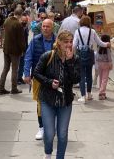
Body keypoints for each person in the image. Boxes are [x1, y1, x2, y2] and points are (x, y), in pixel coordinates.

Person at [33, 31, 80, 159]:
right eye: (66, 42)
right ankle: (48, 153)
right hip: (48, 100)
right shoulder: (47, 56)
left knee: (63, 134)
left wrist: (70, 62)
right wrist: (49, 83)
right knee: (49, 134)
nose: (69, 44)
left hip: (65, 101)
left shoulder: (75, 59)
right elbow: (36, 73)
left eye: (71, 41)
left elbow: (76, 79)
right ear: (58, 42)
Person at [24, 18, 56, 140]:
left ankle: (52, 126)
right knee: (40, 103)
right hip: (38, 77)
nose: (45, 28)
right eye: (43, 26)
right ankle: (42, 127)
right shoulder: (35, 40)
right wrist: (27, 73)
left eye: (48, 26)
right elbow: (28, 57)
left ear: (52, 28)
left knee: (54, 102)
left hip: (54, 77)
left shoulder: (57, 41)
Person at [73, 16, 110, 102]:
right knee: (89, 74)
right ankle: (89, 94)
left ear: (81, 22)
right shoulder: (92, 31)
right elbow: (99, 43)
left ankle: (83, 96)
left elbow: (74, 45)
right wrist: (107, 44)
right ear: (88, 22)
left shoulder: (77, 31)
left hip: (80, 54)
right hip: (90, 54)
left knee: (81, 75)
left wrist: (72, 53)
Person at [0, 7, 27, 95]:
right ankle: (14, 88)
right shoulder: (18, 24)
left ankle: (1, 88)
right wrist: (23, 50)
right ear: (21, 15)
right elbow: (21, 40)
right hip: (15, 50)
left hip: (6, 48)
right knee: (15, 69)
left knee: (5, 68)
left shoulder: (7, 20)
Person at [95, 34, 113, 100]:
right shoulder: (107, 47)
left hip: (99, 63)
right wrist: (111, 65)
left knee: (101, 78)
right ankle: (102, 92)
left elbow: (96, 56)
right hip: (106, 64)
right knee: (104, 79)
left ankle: (101, 92)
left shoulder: (99, 46)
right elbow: (109, 57)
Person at [17, 14, 30, 85]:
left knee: (23, 64)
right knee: (18, 64)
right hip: (20, 49)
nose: (24, 22)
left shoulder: (26, 28)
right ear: (20, 20)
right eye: (23, 20)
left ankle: (20, 77)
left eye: (25, 20)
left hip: (25, 48)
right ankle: (17, 78)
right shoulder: (19, 28)